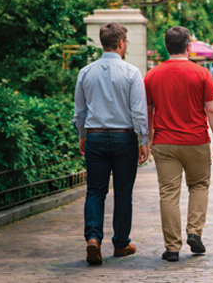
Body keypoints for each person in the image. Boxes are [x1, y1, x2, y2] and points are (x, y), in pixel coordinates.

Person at [145, 26, 213, 262]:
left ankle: (171, 247)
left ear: (167, 47)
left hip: (164, 142)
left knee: (168, 193)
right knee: (199, 186)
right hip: (196, 140)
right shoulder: (202, 74)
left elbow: (147, 112)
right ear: (188, 46)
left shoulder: (152, 75)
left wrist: (147, 141)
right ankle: (194, 232)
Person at [73, 22, 149, 265]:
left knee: (95, 191)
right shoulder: (131, 72)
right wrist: (143, 139)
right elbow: (138, 112)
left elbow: (80, 111)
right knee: (123, 192)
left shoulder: (86, 72)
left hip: (95, 136)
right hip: (124, 137)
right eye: (126, 42)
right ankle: (120, 243)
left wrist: (82, 135)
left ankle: (93, 238)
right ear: (121, 43)